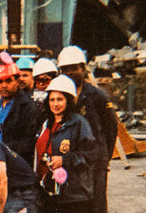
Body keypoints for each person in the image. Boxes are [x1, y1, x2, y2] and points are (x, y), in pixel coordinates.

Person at [57, 45, 118, 213]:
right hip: (73, 160)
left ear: (83, 69)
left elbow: (111, 128)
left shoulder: (97, 96)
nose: (69, 72)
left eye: (74, 68)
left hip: (96, 162)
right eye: (65, 69)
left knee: (97, 204)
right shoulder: (61, 95)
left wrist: (104, 157)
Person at [34, 75, 98, 212]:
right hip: (49, 191)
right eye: (52, 99)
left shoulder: (79, 123)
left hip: (73, 194)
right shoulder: (46, 123)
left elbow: (91, 155)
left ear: (68, 101)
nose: (55, 104)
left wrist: (65, 160)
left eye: (60, 99)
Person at [0, 52, 39, 166]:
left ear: (17, 81)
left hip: (18, 167)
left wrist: (3, 149)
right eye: (0, 81)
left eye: (8, 81)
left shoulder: (27, 106)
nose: (4, 85)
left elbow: (29, 142)